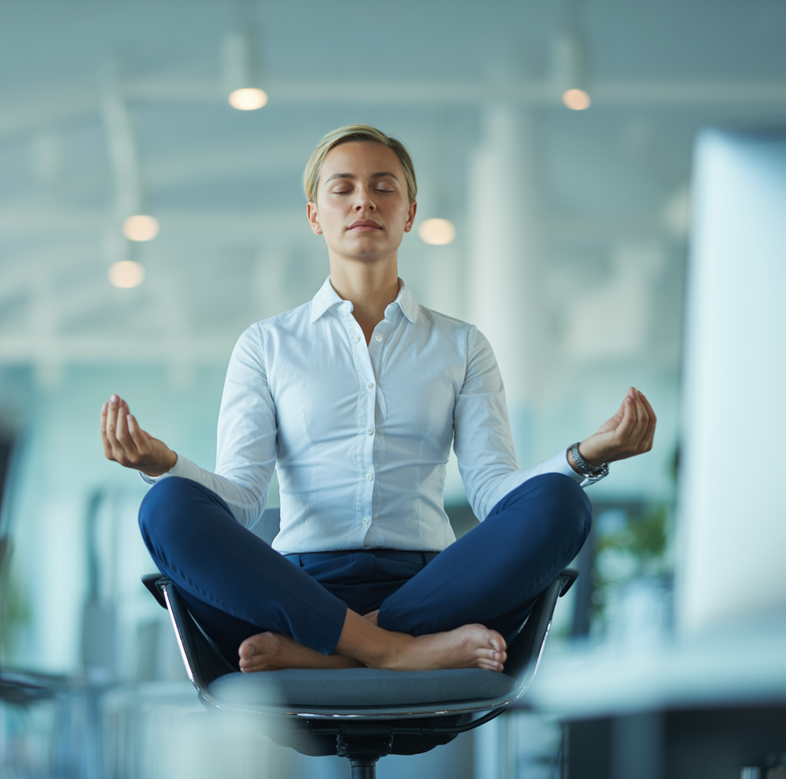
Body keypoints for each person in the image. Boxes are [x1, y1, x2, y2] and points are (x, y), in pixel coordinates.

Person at [100, 124, 656, 674]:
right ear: (315, 215)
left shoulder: (461, 345)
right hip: (294, 590)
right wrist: (162, 464)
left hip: (432, 589)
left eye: (383, 187)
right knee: (166, 506)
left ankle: (335, 652)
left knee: (562, 502)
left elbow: (493, 494)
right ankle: (397, 651)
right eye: (342, 188)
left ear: (409, 213)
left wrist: (585, 458)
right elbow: (244, 501)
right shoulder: (265, 345)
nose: (363, 200)